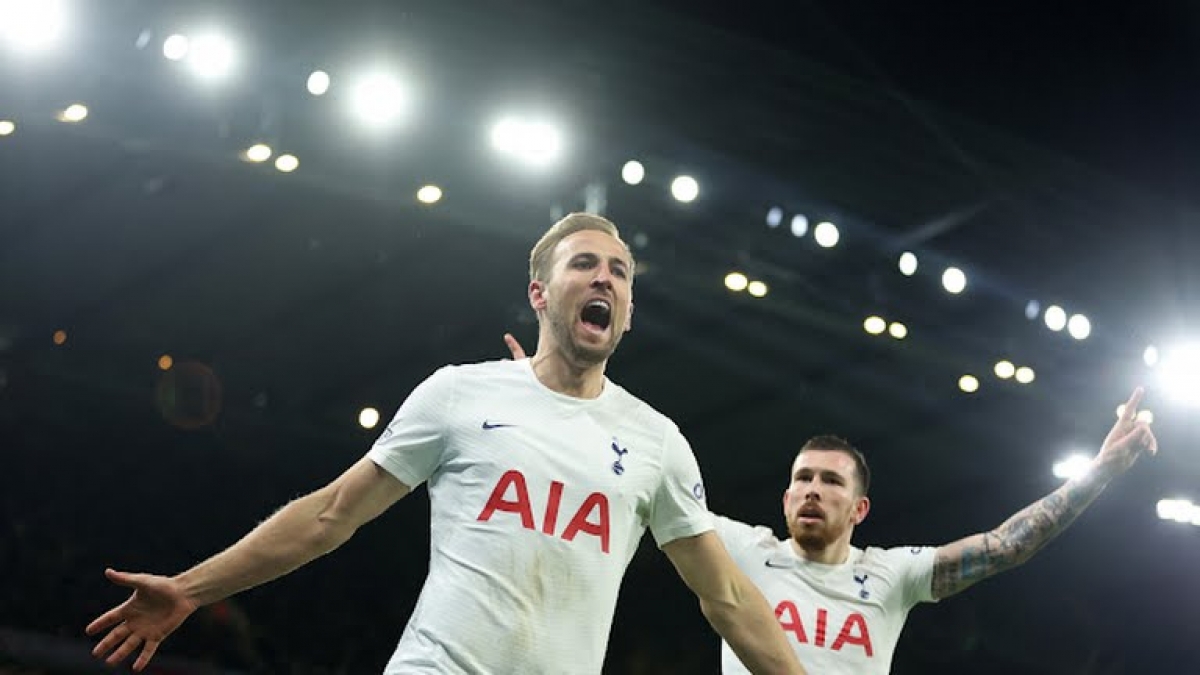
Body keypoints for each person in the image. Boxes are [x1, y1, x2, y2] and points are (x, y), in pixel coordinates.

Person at [85, 213, 807, 675]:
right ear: (539, 294)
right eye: (584, 263)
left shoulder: (656, 441)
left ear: (628, 314)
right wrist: (190, 588)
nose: (605, 278)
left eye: (619, 272)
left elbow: (728, 596)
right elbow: (332, 513)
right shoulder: (460, 393)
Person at [501, 337, 1159, 674]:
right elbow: (637, 490)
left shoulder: (893, 574)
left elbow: (1007, 545)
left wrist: (1100, 472)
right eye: (803, 478)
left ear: (860, 509)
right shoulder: (740, 548)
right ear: (786, 496)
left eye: (832, 482)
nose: (814, 489)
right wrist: (559, 407)